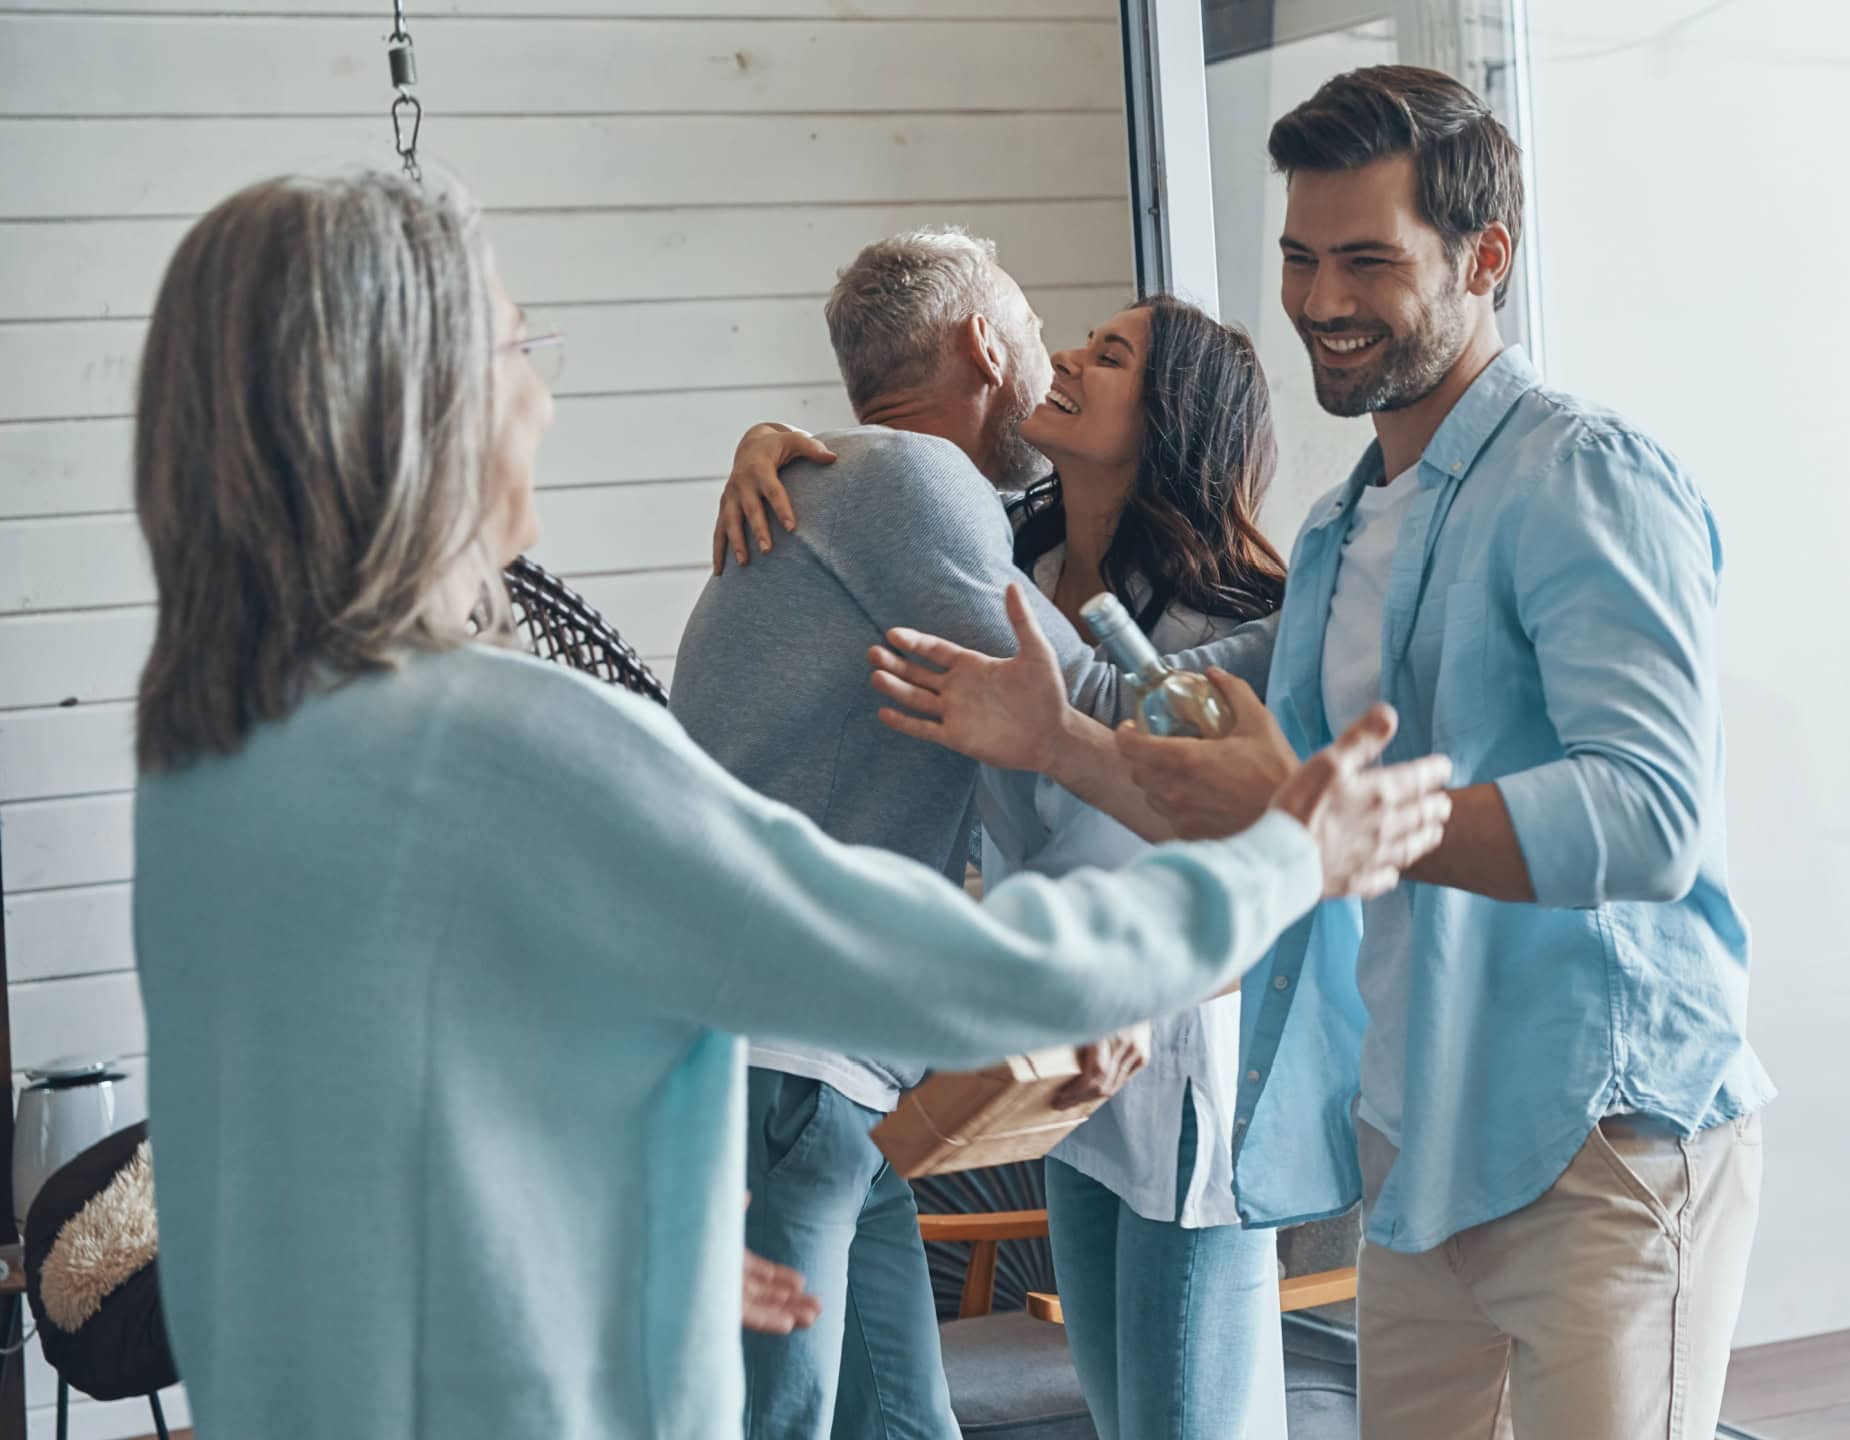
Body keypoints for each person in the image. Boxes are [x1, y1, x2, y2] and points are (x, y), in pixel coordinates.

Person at [125, 171, 1452, 1440]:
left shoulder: (210, 772)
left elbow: (391, 1107)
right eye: (522, 348)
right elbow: (960, 965)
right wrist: (1289, 856)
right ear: (419, 408)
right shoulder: (498, 737)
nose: (541, 398)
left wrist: (610, 1231)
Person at [733, 64, 1775, 1438]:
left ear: (1485, 260)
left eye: (1366, 260)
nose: (1321, 299)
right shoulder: (1342, 532)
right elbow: (1183, 741)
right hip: (1419, 1150)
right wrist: (1055, 735)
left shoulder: (1582, 475)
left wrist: (1310, 812)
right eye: (1299, 257)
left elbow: (1649, 819)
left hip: (1605, 1138)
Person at [672, 227, 1079, 1440]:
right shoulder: (913, 484)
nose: (1053, 359)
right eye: (1039, 331)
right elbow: (1080, 701)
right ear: (984, 345)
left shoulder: (842, 480)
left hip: (821, 1084)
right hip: (777, 1066)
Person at [985, 296, 1293, 1439]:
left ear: (1167, 419)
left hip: (1178, 1067)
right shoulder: (1010, 565)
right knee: (1116, 1416)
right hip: (1063, 1061)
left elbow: (1252, 852)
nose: (1065, 357)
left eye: (1107, 355)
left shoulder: (1232, 626)